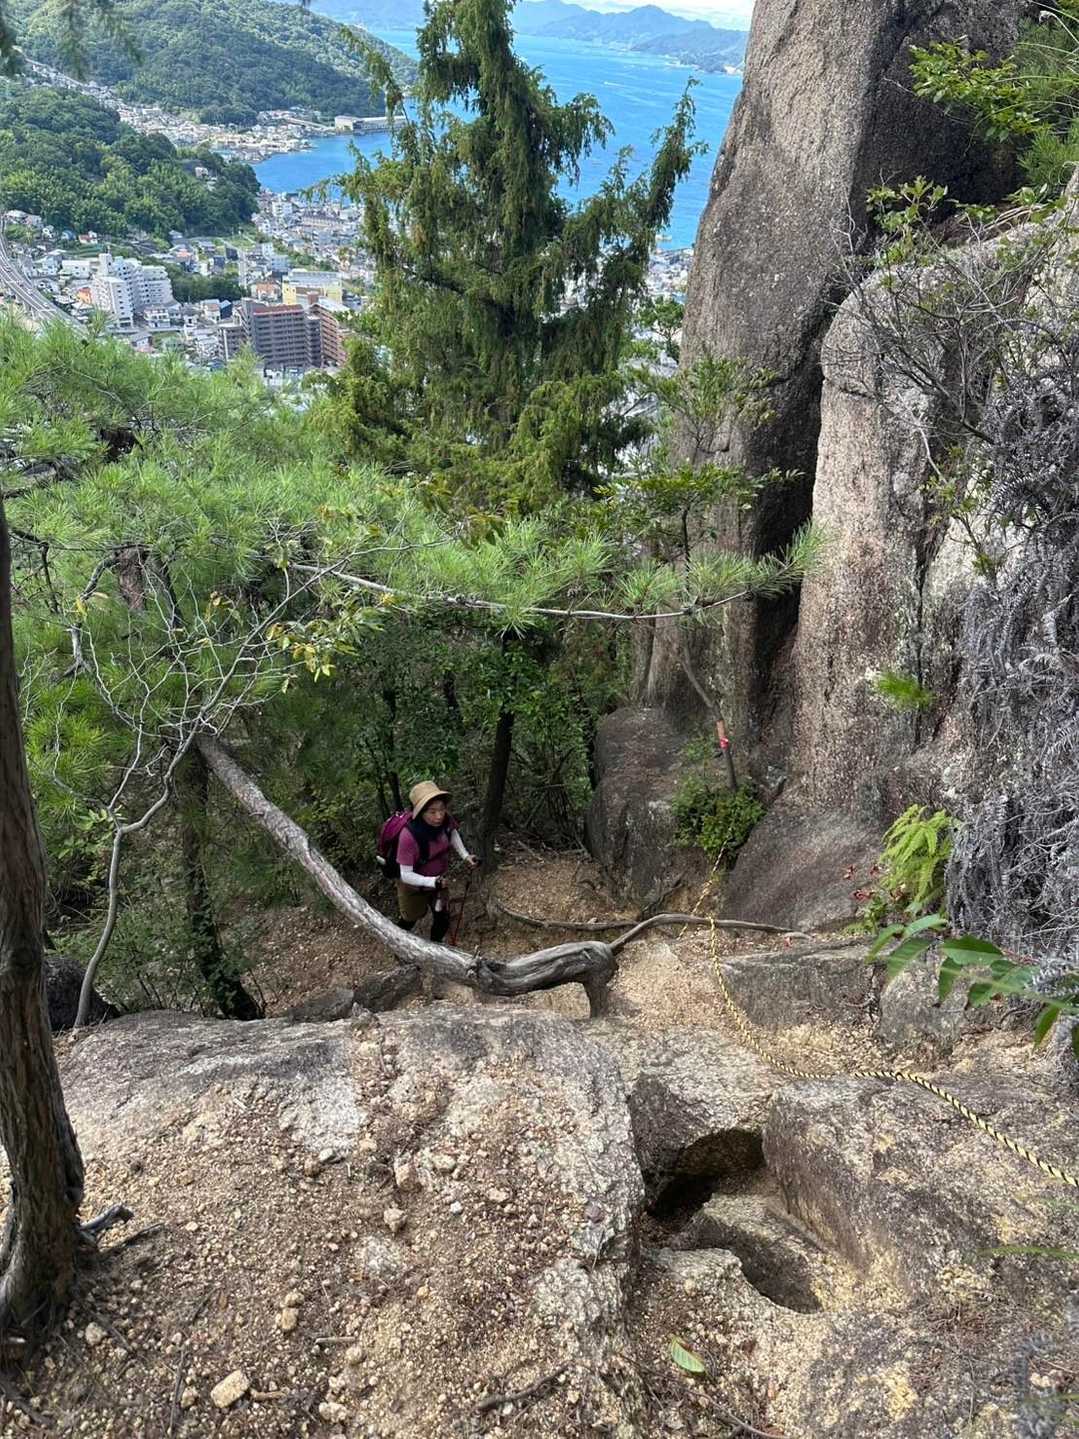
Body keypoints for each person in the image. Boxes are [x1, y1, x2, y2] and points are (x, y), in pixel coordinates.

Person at [396, 781, 479, 943]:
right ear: (420, 812)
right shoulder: (408, 836)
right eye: (432, 812)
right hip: (413, 886)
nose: (439, 815)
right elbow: (405, 874)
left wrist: (465, 856)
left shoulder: (445, 820)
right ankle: (398, 943)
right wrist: (432, 882)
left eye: (441, 809)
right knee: (410, 918)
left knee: (442, 917)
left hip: (439, 882)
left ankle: (436, 946)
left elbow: (452, 833)